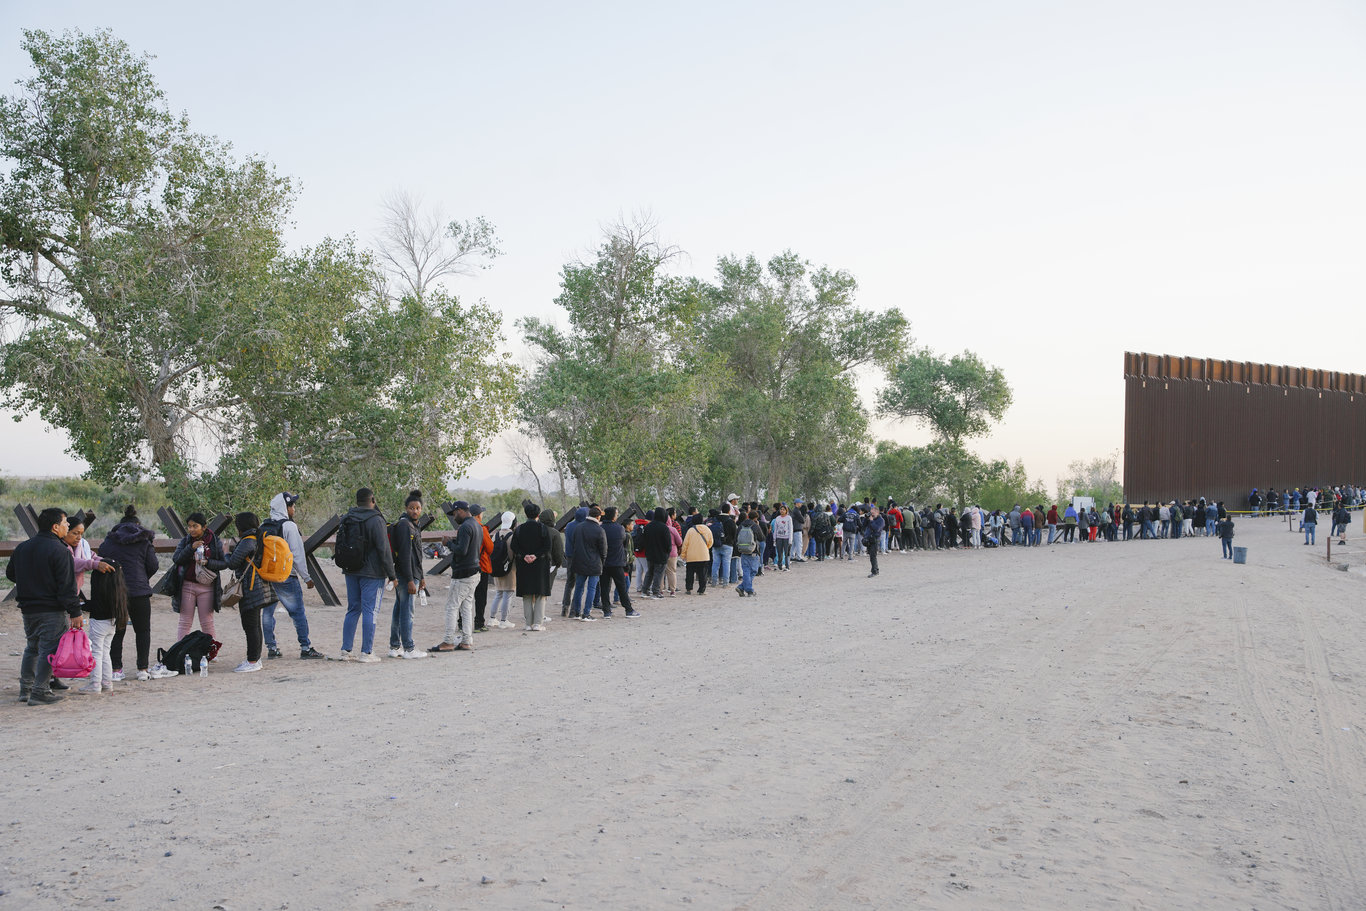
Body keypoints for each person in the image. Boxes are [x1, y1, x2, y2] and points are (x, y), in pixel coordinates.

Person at [8, 508, 83, 705]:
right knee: (49, 650)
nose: (67, 526)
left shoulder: (22, 547)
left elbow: (10, 574)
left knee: (32, 648)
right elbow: (67, 586)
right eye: (66, 523)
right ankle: (40, 691)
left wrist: (30, 581)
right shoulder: (60, 550)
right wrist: (75, 612)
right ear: (55, 526)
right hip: (51, 609)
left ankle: (26, 689)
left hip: (28, 608)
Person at [206, 511, 278, 673]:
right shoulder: (257, 538)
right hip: (259, 586)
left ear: (241, 527)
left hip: (251, 587)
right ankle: (254, 659)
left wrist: (225, 551)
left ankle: (253, 661)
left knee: (250, 625)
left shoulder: (248, 541)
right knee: (254, 625)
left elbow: (232, 563)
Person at [333, 488, 396, 663]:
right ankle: (367, 652)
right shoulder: (376, 520)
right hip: (372, 573)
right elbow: (384, 549)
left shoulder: (347, 517)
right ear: (373, 500)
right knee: (371, 611)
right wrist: (392, 574)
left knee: (353, 609)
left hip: (350, 568)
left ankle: (346, 650)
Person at [99, 505, 160, 681]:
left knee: (117, 630)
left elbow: (102, 560)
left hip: (116, 592)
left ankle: (116, 670)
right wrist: (143, 578)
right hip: (140, 592)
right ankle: (142, 669)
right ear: (138, 525)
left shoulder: (109, 542)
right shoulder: (144, 540)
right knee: (143, 630)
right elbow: (154, 565)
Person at [262, 493, 326, 660]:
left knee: (268, 613)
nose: (294, 509)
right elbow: (297, 555)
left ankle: (271, 648)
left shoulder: (264, 525)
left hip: (267, 576)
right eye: (292, 506)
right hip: (286, 576)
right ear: (286, 507)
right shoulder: (289, 526)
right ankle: (305, 647)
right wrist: (306, 578)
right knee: (298, 613)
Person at [169, 511, 224, 643]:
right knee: (185, 621)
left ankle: (211, 650)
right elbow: (176, 559)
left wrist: (208, 562)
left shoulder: (215, 542)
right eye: (189, 526)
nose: (191, 529)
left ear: (204, 527)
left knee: (207, 621)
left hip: (207, 586)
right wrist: (190, 548)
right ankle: (181, 650)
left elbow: (224, 563)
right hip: (187, 585)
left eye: (195, 526)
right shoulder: (186, 541)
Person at [433, 501, 480, 652]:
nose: (454, 517)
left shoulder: (465, 527)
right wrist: (454, 542)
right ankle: (466, 640)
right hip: (474, 571)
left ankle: (448, 641)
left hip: (463, 573)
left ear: (459, 511)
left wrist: (448, 543)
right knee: (466, 607)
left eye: (454, 514)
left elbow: (462, 550)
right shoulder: (476, 525)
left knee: (452, 607)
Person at [387, 490, 428, 659]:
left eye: (418, 508)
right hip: (406, 575)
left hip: (413, 574)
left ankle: (395, 646)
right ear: (406, 508)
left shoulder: (414, 525)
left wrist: (422, 577)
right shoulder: (405, 525)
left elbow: (416, 554)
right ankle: (409, 648)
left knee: (399, 609)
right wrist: (411, 580)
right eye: (412, 508)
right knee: (407, 611)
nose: (415, 511)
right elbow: (404, 554)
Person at [511, 502, 554, 630]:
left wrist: (524, 555)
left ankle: (528, 624)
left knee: (527, 594)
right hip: (540, 565)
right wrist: (536, 555)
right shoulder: (543, 528)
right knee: (540, 594)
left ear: (526, 514)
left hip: (524, 565)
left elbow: (514, 546)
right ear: (538, 514)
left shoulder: (519, 529)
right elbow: (547, 546)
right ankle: (538, 623)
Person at [569, 506, 607, 619]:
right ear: (598, 516)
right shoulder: (600, 530)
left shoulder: (578, 527)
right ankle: (586, 613)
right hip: (594, 563)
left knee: (579, 588)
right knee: (592, 589)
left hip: (579, 562)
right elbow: (603, 550)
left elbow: (574, 542)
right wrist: (602, 562)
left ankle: (576, 612)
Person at [598, 507, 635, 619]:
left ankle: (607, 611)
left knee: (604, 588)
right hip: (617, 562)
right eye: (616, 514)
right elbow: (623, 541)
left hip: (603, 563)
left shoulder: (600, 528)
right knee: (621, 587)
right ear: (613, 516)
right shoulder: (619, 528)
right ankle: (628, 610)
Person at [489, 511, 518, 628]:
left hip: (496, 567)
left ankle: (492, 618)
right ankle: (504, 620)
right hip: (510, 569)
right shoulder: (513, 536)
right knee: (508, 594)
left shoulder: (495, 535)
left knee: (498, 593)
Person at [471, 505, 495, 633]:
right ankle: (479, 623)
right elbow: (490, 548)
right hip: (482, 566)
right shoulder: (481, 528)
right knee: (480, 597)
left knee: (465, 597)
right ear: (478, 515)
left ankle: (461, 623)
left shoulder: (464, 527)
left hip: (467, 566)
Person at [641, 508, 673, 599]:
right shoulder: (664, 528)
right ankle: (655, 592)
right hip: (661, 555)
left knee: (649, 573)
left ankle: (645, 591)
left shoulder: (648, 526)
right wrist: (667, 553)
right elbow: (668, 544)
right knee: (658, 574)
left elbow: (644, 541)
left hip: (649, 554)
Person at [681, 514, 714, 594]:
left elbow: (685, 544)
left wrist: (683, 555)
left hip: (691, 556)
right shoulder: (707, 529)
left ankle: (689, 589)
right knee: (703, 574)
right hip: (704, 555)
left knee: (690, 573)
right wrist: (706, 548)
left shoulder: (690, 530)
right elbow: (711, 542)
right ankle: (701, 590)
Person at [865, 504, 885, 577]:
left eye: (873, 513)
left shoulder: (881, 520)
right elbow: (863, 526)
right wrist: (866, 518)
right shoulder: (871, 519)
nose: (871, 514)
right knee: (871, 556)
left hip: (875, 539)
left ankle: (875, 571)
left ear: (877, 512)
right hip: (869, 539)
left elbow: (877, 529)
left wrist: (872, 521)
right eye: (871, 513)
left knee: (873, 556)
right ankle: (875, 570)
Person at [771, 504, 793, 571]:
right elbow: (775, 529)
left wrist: (790, 539)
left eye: (783, 509)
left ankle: (787, 566)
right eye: (781, 509)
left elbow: (790, 529)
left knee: (786, 553)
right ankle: (779, 566)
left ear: (786, 510)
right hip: (779, 537)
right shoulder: (777, 518)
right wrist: (774, 539)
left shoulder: (789, 518)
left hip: (786, 537)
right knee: (779, 552)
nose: (782, 511)